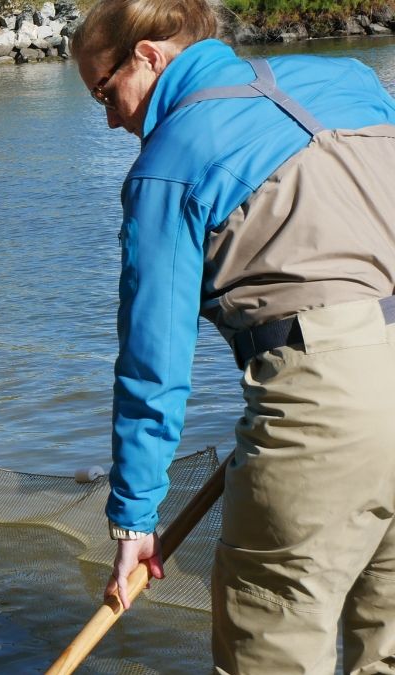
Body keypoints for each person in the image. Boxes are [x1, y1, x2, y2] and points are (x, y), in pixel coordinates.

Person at [71, 0, 395, 671]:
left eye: (106, 91)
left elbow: (153, 362)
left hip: (326, 409)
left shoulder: (168, 162)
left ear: (150, 56)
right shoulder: (353, 82)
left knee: (270, 647)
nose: (109, 118)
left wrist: (134, 520)